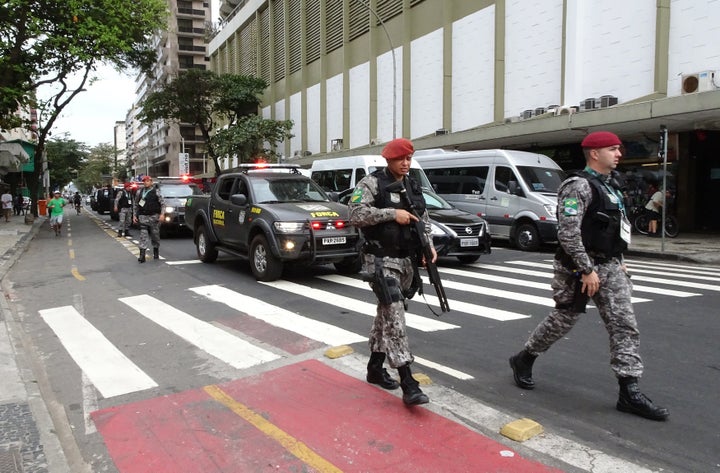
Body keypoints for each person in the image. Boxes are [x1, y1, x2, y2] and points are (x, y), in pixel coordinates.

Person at [508, 131, 669, 421]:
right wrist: (586, 269)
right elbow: (568, 233)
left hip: (609, 266)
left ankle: (629, 391)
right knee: (563, 320)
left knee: (624, 325)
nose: (619, 154)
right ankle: (524, 358)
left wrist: (619, 261)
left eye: (619, 149)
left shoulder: (612, 185)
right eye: (612, 149)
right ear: (594, 153)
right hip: (577, 267)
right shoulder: (577, 186)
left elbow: (613, 228)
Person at [348, 137, 437, 406]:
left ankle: (375, 368)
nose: (406, 163)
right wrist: (391, 213)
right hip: (380, 260)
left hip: (405, 260)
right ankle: (408, 382)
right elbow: (355, 214)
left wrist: (428, 246)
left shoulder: (412, 185)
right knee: (395, 317)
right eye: (402, 159)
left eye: (409, 159)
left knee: (386, 314)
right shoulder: (372, 183)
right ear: (389, 160)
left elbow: (424, 220)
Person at [133, 175, 164, 263]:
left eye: (147, 181)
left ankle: (156, 250)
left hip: (154, 217)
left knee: (155, 235)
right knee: (143, 236)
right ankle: (142, 255)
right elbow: (136, 205)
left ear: (151, 182)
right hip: (143, 216)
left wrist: (162, 214)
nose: (145, 182)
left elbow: (163, 204)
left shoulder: (156, 192)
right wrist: (134, 215)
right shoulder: (140, 192)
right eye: (144, 181)